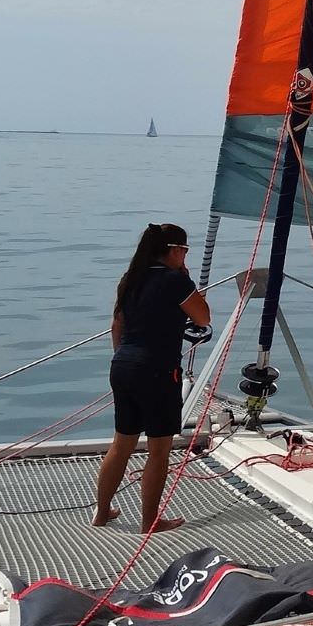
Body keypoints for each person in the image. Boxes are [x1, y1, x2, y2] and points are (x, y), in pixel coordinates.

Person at [94, 222, 210, 532]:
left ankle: (102, 513)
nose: (185, 257)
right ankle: (149, 521)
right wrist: (185, 278)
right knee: (159, 449)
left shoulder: (130, 279)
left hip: (123, 365)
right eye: (184, 251)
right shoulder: (175, 281)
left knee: (122, 443)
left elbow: (117, 325)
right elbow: (203, 317)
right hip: (157, 371)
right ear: (174, 251)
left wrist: (125, 357)